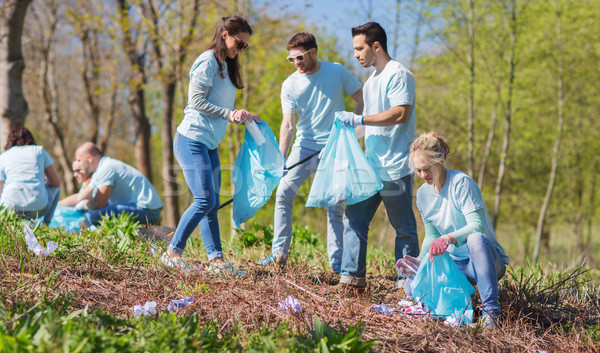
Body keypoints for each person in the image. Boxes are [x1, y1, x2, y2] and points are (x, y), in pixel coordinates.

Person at [256, 32, 363, 272]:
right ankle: (278, 256)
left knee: (334, 205)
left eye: (300, 57)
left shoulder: (336, 71)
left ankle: (338, 265)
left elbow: (361, 98)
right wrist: (281, 159)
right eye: (291, 59)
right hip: (304, 147)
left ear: (313, 52)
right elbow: (288, 125)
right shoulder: (290, 84)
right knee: (283, 193)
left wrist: (353, 133)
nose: (296, 63)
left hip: (334, 146)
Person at [160, 16, 258, 273]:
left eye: (245, 46)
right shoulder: (207, 61)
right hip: (191, 140)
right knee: (204, 200)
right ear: (225, 34)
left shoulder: (227, 66)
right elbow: (196, 101)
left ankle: (217, 261)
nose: (241, 49)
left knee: (212, 203)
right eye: (239, 42)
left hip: (209, 144)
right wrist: (229, 114)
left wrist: (243, 116)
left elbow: (223, 106)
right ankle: (172, 253)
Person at [336, 22, 419, 289]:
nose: (356, 55)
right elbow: (368, 123)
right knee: (353, 219)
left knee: (403, 228)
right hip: (370, 167)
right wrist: (345, 133)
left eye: (359, 49)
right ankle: (352, 279)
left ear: (376, 46)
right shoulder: (370, 81)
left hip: (395, 167)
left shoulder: (399, 74)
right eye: (354, 49)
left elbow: (399, 113)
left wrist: (359, 118)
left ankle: (408, 286)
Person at [398, 131, 509, 328]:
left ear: (440, 160)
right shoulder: (423, 194)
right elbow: (431, 235)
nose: (423, 175)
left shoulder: (461, 183)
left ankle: (491, 312)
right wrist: (420, 261)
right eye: (418, 171)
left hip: (483, 261)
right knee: (410, 286)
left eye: (426, 169)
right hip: (455, 266)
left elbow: (477, 225)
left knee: (475, 238)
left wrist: (448, 238)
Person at [72, 142, 163, 226]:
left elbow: (98, 204)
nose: (78, 164)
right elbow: (80, 196)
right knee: (100, 212)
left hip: (148, 211)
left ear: (89, 158)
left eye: (79, 160)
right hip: (141, 209)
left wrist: (83, 205)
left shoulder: (106, 168)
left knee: (93, 216)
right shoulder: (99, 170)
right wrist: (58, 205)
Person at [0, 126, 61, 224]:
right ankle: (46, 223)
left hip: (10, 209)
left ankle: (4, 224)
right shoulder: (39, 151)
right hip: (38, 208)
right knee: (56, 189)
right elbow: (56, 183)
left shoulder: (4, 156)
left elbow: (0, 188)